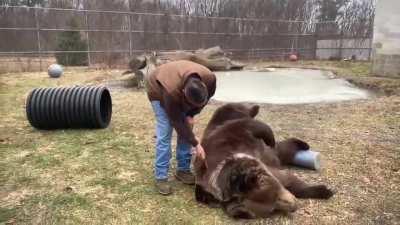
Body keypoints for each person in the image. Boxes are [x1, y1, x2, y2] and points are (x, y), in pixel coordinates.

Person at [145, 60, 216, 195]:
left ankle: (183, 170)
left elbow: (204, 101)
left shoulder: (210, 79)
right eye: (190, 104)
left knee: (187, 125)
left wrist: (192, 114)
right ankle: (161, 177)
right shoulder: (170, 92)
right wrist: (196, 144)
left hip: (178, 83)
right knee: (165, 133)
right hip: (157, 88)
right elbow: (177, 122)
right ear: (183, 92)